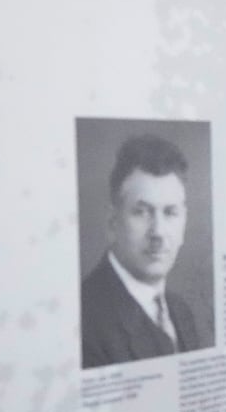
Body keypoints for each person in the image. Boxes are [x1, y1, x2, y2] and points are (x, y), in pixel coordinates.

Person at [81, 134, 205, 368]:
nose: (158, 232)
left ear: (184, 223)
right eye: (142, 212)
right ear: (112, 222)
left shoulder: (181, 312)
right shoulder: (85, 322)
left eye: (170, 213)